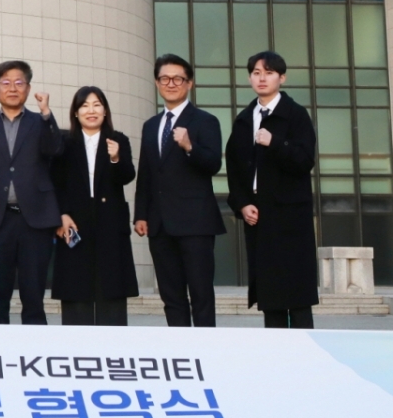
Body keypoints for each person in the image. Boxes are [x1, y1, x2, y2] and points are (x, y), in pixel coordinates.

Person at [226, 51, 318, 329]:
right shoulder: (245, 119)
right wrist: (242, 204)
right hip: (259, 215)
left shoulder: (295, 114)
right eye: (256, 73)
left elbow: (305, 160)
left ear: (282, 78)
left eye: (269, 73)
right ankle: (276, 352)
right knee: (270, 295)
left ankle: (304, 350)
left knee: (298, 295)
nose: (262, 78)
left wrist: (275, 142)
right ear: (249, 78)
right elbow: (234, 169)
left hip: (291, 216)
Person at [0, 60, 64, 325]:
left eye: (19, 82)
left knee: (33, 296)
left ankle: (35, 346)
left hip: (36, 219)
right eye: (6, 83)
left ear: (28, 88)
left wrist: (46, 114)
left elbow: (55, 149)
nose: (12, 88)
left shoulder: (40, 122)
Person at [134, 53, 225, 327]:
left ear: (189, 83)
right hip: (159, 223)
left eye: (178, 79)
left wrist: (189, 147)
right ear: (156, 82)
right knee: (171, 295)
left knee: (201, 294)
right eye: (165, 78)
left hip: (195, 222)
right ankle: (179, 345)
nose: (171, 84)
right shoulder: (151, 126)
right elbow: (146, 173)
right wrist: (141, 214)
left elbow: (213, 164)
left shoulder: (205, 121)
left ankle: (204, 347)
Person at [52, 87, 138, 326]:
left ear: (105, 110)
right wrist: (62, 214)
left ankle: (113, 344)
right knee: (76, 289)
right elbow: (55, 182)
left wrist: (116, 158)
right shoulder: (65, 143)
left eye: (97, 104)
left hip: (110, 222)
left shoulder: (118, 139)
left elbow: (127, 176)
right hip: (74, 222)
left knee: (111, 289)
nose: (91, 110)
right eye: (85, 105)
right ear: (76, 112)